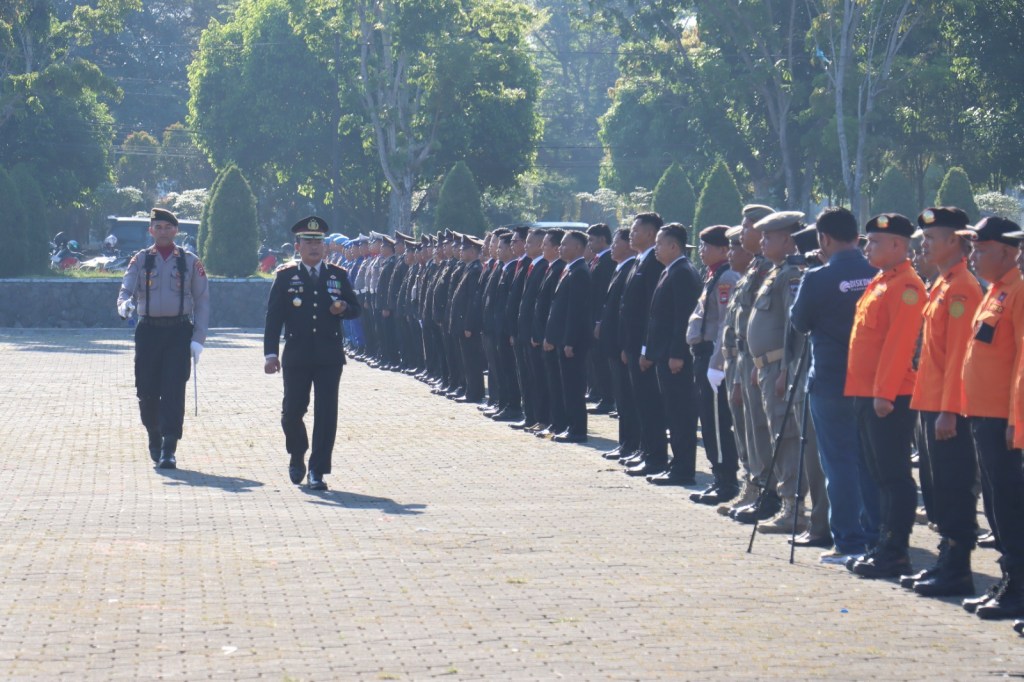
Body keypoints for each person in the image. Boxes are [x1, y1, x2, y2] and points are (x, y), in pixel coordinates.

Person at [790, 208, 880, 562]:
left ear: (823, 239)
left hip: (830, 380)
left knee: (838, 463)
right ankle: (875, 536)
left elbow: (799, 322)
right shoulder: (877, 273)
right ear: (857, 236)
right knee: (869, 461)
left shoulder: (817, 277)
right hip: (872, 380)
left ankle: (848, 541)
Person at [903, 207, 983, 596]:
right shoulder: (943, 284)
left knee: (954, 485)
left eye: (931, 238)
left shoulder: (963, 287)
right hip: (931, 401)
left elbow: (958, 358)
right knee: (937, 485)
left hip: (947, 407)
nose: (923, 245)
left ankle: (957, 566)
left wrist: (950, 410)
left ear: (954, 241)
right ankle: (946, 559)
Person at [844, 213, 926, 579]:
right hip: (867, 392)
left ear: (897, 245)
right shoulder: (881, 281)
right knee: (878, 475)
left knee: (893, 476)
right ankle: (882, 544)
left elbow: (899, 345)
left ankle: (895, 551)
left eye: (875, 242)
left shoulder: (907, 286)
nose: (868, 247)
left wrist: (885, 393)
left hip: (889, 396)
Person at [263, 216, 361, 491]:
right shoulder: (285, 276)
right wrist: (270, 354)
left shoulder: (337, 276)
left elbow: (356, 308)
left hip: (329, 355)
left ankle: (318, 470)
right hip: (297, 354)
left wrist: (344, 307)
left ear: (325, 246)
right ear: (298, 246)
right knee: (292, 411)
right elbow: (273, 318)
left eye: (319, 242)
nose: (314, 247)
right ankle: (297, 453)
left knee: (326, 413)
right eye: (308, 242)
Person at [958, 217, 1024, 619]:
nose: (973, 257)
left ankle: (1017, 587)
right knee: (997, 505)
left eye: (981, 250)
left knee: (1010, 506)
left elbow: (1021, 364)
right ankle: (1010, 578)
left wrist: (1017, 419)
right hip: (984, 415)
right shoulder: (996, 291)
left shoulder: (1018, 292)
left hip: (1003, 420)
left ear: (1007, 251)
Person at [116, 208, 210, 470]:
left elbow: (202, 301)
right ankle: (153, 433)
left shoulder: (189, 261)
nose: (164, 232)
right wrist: (123, 305)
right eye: (158, 227)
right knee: (146, 391)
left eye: (168, 227)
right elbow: (126, 288)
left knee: (173, 390)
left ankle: (169, 447)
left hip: (178, 332)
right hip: (149, 331)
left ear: (176, 231)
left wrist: (198, 338)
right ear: (151, 231)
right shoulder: (141, 259)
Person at [743, 211, 808, 532]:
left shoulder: (791, 275)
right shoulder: (775, 272)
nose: (763, 241)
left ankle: (793, 508)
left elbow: (792, 328)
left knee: (787, 438)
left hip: (781, 367)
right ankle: (785, 502)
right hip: (765, 367)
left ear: (787, 240)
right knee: (774, 435)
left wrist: (785, 369)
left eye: (769, 237)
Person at [644, 223, 702, 483]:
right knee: (673, 412)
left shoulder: (682, 272)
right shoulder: (671, 270)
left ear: (674, 246)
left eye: (659, 243)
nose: (655, 248)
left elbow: (683, 318)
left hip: (675, 357)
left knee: (681, 414)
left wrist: (678, 353)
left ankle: (683, 469)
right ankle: (676, 464)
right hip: (664, 353)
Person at [688, 225, 740, 501]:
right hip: (703, 354)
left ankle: (726, 481)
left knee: (717, 422)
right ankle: (719, 475)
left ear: (723, 249)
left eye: (707, 246)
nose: (701, 251)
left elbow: (724, 325)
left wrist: (717, 363)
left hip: (713, 356)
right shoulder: (713, 274)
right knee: (708, 420)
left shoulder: (726, 278)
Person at [618, 213, 669, 477]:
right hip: (633, 345)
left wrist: (645, 349)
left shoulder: (654, 264)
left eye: (636, 230)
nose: (631, 234)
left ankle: (656, 457)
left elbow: (652, 311)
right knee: (639, 402)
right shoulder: (640, 260)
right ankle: (644, 449)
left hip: (644, 348)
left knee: (650, 404)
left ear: (650, 234)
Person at [544, 230, 592, 443]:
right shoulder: (569, 269)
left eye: (565, 245)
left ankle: (577, 430)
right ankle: (567, 425)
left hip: (572, 342)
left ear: (578, 248)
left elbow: (576, 311)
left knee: (573, 387)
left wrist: (570, 341)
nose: (561, 248)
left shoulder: (580, 271)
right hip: (562, 339)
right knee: (565, 386)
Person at [597, 229, 639, 461]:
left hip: (623, 344)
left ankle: (632, 444)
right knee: (622, 399)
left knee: (628, 399)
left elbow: (629, 312)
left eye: (616, 242)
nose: (612, 247)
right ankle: (626, 443)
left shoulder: (632, 267)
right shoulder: (621, 267)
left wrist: (624, 344)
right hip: (614, 343)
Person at [586, 223, 616, 413]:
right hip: (592, 317)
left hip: (599, 318)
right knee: (595, 359)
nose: (589, 243)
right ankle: (599, 392)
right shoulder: (596, 260)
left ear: (603, 239)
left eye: (591, 239)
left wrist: (599, 320)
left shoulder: (608, 261)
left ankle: (607, 398)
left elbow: (603, 294)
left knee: (602, 359)